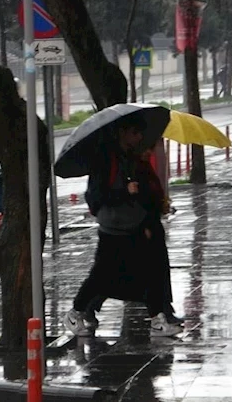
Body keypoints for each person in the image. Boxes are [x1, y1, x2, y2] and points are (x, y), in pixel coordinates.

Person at [64, 116, 183, 338]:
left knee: (151, 272)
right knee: (101, 275)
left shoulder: (129, 156)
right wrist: (124, 191)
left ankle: (157, 320)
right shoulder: (105, 160)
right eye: (135, 133)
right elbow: (97, 196)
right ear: (123, 133)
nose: (139, 138)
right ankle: (76, 311)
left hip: (133, 225)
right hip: (114, 228)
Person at [83, 145, 182, 329]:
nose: (149, 151)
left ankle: (162, 310)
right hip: (140, 227)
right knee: (126, 272)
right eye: (147, 147)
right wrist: (145, 224)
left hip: (149, 224)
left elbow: (151, 194)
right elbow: (135, 200)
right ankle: (88, 305)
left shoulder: (143, 167)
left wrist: (162, 205)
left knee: (151, 270)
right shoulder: (129, 168)